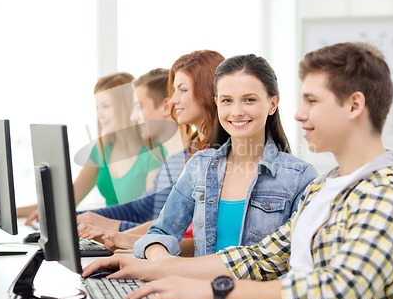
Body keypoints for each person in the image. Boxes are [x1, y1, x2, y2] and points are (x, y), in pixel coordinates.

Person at [82, 44, 393, 299]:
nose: (299, 113)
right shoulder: (325, 187)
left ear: (354, 106)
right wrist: (153, 267)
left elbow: (340, 291)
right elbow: (260, 256)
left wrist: (216, 291)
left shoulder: (391, 190)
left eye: (311, 100)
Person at [125, 53, 317, 260]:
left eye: (249, 100)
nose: (236, 111)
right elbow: (161, 233)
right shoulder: (199, 166)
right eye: (227, 100)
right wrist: (162, 259)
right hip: (197, 290)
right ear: (217, 103)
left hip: (258, 292)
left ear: (273, 103)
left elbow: (298, 258)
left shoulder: (300, 177)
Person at [76, 50, 225, 236]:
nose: (173, 100)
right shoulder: (187, 154)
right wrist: (85, 218)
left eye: (183, 90)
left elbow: (178, 227)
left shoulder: (210, 156)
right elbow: (147, 211)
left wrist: (119, 233)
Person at [19, 72, 166, 223]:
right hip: (105, 235)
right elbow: (64, 203)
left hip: (130, 238)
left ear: (127, 106)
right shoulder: (101, 150)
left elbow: (151, 217)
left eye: (106, 106)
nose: (100, 115)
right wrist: (15, 212)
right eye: (97, 107)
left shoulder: (154, 152)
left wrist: (87, 219)